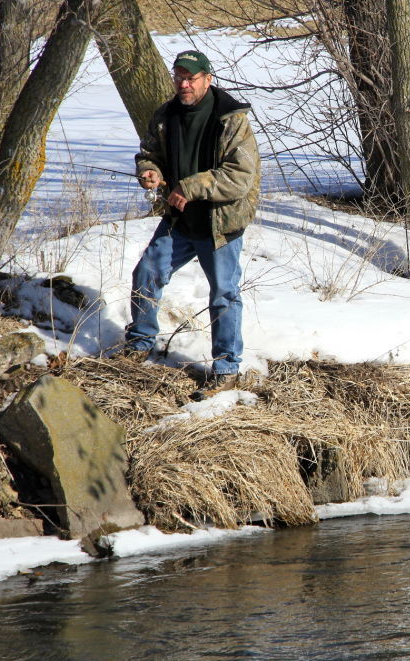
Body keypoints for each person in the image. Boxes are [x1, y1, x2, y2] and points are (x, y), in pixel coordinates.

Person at [118, 49, 260, 402]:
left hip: (219, 225)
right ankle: (140, 344)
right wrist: (150, 171)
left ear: (207, 79)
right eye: (178, 76)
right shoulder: (166, 115)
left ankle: (227, 369)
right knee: (147, 272)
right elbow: (149, 152)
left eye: (191, 77)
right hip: (180, 221)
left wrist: (191, 186)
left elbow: (241, 177)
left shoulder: (231, 119)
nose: (183, 83)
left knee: (224, 295)